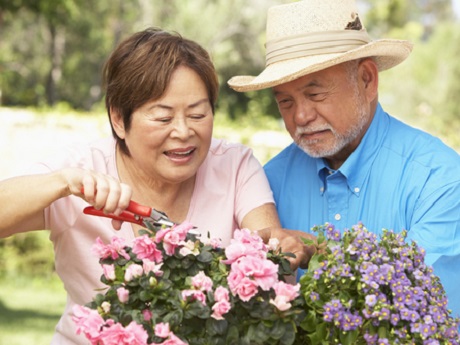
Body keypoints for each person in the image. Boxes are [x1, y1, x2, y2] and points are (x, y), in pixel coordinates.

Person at [0, 28, 312, 344]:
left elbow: (265, 245)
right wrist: (63, 183)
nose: (183, 131)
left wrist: (279, 246)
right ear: (119, 119)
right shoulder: (81, 169)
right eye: (163, 118)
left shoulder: (233, 165)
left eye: (198, 114)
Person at [228, 0, 460, 319]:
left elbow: (427, 304)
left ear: (367, 80)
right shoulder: (266, 184)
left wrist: (321, 252)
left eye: (316, 94)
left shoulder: (439, 178)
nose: (301, 115)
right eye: (285, 101)